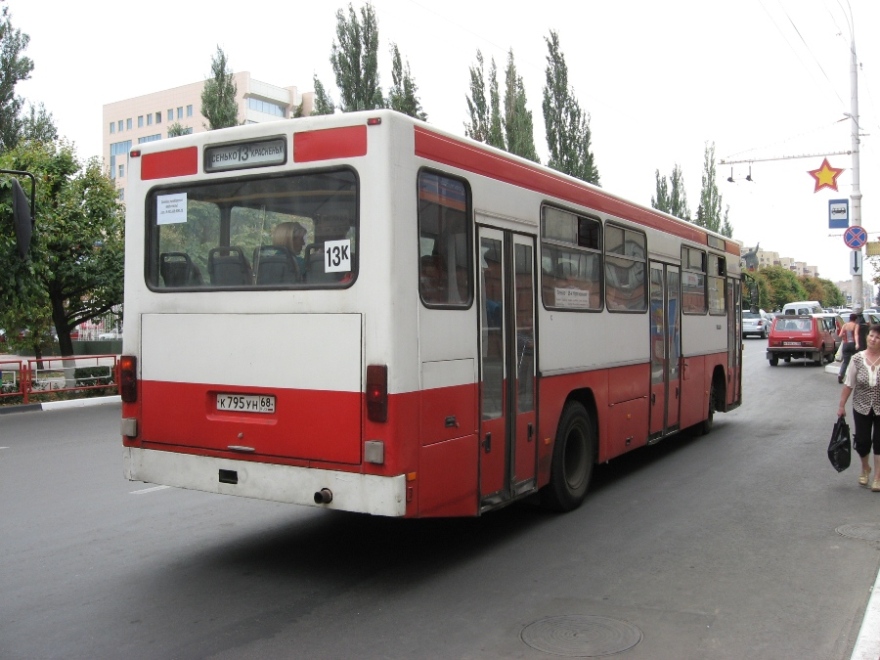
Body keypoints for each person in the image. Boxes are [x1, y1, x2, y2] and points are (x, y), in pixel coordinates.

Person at [837, 323, 880, 491]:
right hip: (861, 406)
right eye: (871, 336)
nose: (873, 339)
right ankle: (865, 468)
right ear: (866, 337)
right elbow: (848, 384)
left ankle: (877, 477)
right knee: (862, 441)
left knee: (879, 442)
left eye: (877, 337)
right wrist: (841, 406)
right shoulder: (857, 359)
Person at [838, 313, 860, 383]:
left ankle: (841, 374)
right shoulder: (856, 325)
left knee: (845, 362)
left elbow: (840, 335)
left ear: (849, 318)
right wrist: (857, 344)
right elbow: (856, 334)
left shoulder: (845, 325)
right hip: (852, 344)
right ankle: (855, 377)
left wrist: (844, 337)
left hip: (845, 344)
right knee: (855, 361)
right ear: (855, 319)